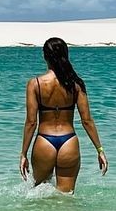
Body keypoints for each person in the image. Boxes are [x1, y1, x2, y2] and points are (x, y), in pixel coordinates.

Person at [20, 37, 108, 193]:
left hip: (44, 141)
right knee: (67, 197)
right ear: (66, 55)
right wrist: (99, 150)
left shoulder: (35, 84)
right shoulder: (76, 84)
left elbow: (31, 122)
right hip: (69, 141)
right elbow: (86, 121)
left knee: (39, 194)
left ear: (45, 56)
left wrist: (23, 154)